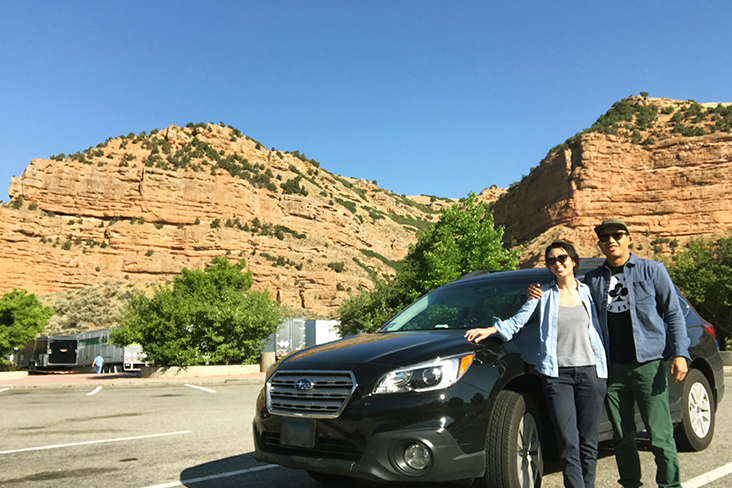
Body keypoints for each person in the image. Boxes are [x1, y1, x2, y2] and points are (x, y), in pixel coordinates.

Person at [529, 218, 690, 488]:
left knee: (660, 436)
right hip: (611, 368)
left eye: (617, 234)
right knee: (622, 436)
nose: (611, 240)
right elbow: (565, 286)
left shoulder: (653, 270)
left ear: (629, 239)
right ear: (600, 244)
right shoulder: (593, 280)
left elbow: (673, 313)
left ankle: (670, 485)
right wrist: (536, 290)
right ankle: (630, 483)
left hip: (647, 364)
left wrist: (680, 353)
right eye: (605, 237)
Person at [466, 241, 608, 488]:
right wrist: (490, 329)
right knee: (568, 440)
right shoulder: (542, 295)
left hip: (591, 372)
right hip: (558, 376)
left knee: (589, 439)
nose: (558, 263)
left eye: (562, 258)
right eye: (551, 260)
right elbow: (516, 322)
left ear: (573, 261)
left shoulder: (590, 292)